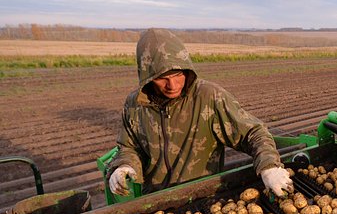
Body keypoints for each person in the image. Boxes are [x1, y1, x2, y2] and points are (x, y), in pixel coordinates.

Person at [107, 28, 294, 197]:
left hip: (202, 195)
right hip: (156, 199)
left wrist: (269, 167)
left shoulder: (209, 97)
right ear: (147, 77)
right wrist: (124, 165)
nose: (172, 85)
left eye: (178, 75)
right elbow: (129, 147)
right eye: (162, 78)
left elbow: (253, 133)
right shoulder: (135, 104)